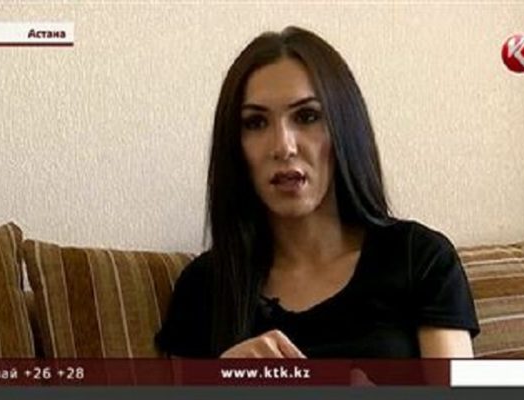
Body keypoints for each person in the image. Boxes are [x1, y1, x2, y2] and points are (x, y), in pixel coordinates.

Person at [155, 26, 479, 359]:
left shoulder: (420, 258)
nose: (283, 146)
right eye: (255, 123)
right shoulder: (204, 286)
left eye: (307, 116)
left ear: (344, 128)